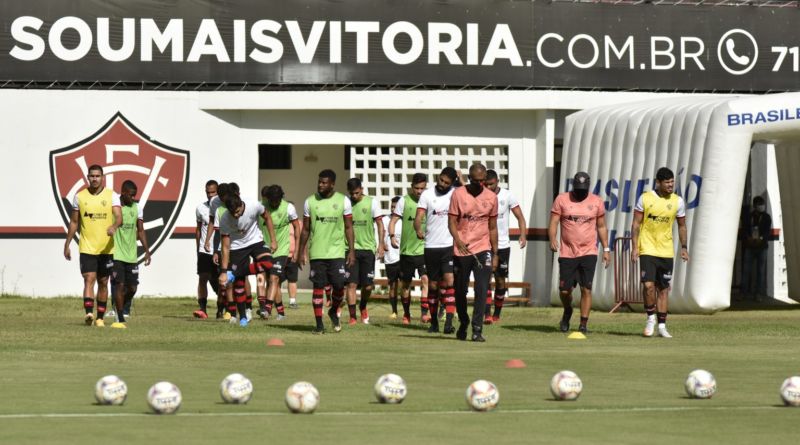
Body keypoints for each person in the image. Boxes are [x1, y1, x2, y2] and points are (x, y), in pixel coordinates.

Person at [548, 171, 610, 335]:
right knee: (565, 291)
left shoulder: (597, 201)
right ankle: (567, 310)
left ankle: (583, 324)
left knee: (586, 288)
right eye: (578, 189)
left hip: (589, 251)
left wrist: (606, 249)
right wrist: (552, 238)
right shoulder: (561, 199)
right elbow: (554, 222)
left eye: (583, 189)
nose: (580, 192)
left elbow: (602, 226)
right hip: (567, 252)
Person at [631, 167, 690, 338]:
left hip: (666, 251)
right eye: (667, 182)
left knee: (663, 289)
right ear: (658, 182)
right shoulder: (645, 198)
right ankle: (650, 319)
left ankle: (662, 326)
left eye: (672, 182)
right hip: (647, 248)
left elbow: (682, 225)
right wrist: (635, 247)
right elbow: (635, 224)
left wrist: (684, 247)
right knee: (648, 286)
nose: (671, 185)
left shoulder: (677, 201)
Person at [295, 169, 355, 334]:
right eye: (319, 182)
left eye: (324, 182)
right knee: (318, 287)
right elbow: (305, 229)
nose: (320, 185)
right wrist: (301, 252)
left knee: (338, 287)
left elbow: (349, 227)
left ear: (332, 184)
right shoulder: (310, 202)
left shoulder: (344, 201)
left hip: (337, 252)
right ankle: (319, 325)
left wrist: (351, 251)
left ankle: (333, 310)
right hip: (317, 253)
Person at [63, 164, 122, 327]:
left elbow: (119, 217)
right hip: (87, 247)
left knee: (103, 281)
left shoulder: (112, 195)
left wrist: (114, 226)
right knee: (89, 279)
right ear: (87, 177)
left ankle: (100, 317)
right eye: (92, 176)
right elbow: (74, 221)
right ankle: (89, 313)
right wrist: (67, 243)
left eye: (97, 176)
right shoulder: (79, 197)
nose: (95, 179)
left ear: (102, 177)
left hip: (106, 248)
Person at [448, 163, 498, 342]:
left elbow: (492, 227)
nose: (480, 184)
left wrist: (495, 253)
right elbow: (452, 222)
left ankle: (477, 329)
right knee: (460, 290)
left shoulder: (491, 197)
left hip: (483, 248)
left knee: (482, 288)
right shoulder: (458, 194)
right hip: (462, 249)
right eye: (476, 181)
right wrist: (458, 241)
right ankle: (463, 321)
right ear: (469, 179)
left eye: (482, 180)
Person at [217, 194, 277, 327]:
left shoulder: (254, 205)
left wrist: (273, 240)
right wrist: (224, 270)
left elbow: (267, 217)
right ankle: (243, 317)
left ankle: (237, 273)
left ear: (241, 204)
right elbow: (226, 247)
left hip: (256, 242)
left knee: (268, 264)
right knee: (239, 285)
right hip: (237, 248)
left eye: (238, 211)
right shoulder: (225, 218)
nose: (236, 215)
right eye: (233, 213)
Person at [415, 167, 458, 334]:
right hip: (431, 246)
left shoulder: (455, 193)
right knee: (432, 285)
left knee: (449, 281)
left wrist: (460, 180)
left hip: (448, 245)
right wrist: (418, 228)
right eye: (441, 180)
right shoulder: (427, 195)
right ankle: (434, 322)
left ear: (452, 183)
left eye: (447, 182)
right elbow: (419, 216)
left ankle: (448, 322)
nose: (443, 184)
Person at [483, 169, 528, 324]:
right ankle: (487, 314)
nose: (488, 187)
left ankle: (497, 313)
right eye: (486, 184)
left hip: (503, 245)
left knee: (500, 279)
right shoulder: (480, 196)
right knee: (485, 278)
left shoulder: (507, 196)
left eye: (491, 184)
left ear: (497, 182)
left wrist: (523, 234)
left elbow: (520, 217)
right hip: (484, 244)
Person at [110, 180, 152, 328]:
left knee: (132, 288)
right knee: (119, 285)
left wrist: (147, 251)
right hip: (116, 254)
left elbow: (140, 230)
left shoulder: (137, 208)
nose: (133, 198)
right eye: (131, 195)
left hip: (131, 255)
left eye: (135, 196)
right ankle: (120, 317)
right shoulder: (115, 208)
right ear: (123, 193)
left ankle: (118, 305)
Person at [389, 173, 430, 324]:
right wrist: (392, 236)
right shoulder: (404, 201)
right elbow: (393, 221)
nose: (419, 191)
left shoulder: (429, 200)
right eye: (417, 188)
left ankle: (424, 313)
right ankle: (406, 313)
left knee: (426, 279)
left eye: (422, 188)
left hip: (424, 249)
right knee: (405, 285)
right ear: (412, 187)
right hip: (407, 251)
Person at [345, 178, 385, 325]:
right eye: (352, 193)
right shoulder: (345, 203)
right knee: (351, 284)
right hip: (350, 249)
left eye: (356, 193)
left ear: (361, 189)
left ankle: (363, 306)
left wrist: (381, 244)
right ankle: (352, 317)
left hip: (368, 248)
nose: (354, 196)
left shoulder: (372, 202)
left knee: (368, 286)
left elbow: (380, 224)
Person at [258, 185, 301, 320]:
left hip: (282, 249)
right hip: (263, 249)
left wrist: (297, 251)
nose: (274, 204)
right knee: (264, 280)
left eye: (277, 201)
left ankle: (267, 308)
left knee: (274, 278)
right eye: (272, 201)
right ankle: (281, 312)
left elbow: (297, 228)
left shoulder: (288, 208)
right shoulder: (260, 206)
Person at [194, 180, 224, 319]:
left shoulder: (222, 208)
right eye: (208, 192)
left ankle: (221, 310)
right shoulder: (200, 208)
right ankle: (203, 309)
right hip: (205, 250)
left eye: (213, 192)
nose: (210, 195)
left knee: (221, 281)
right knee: (203, 278)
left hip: (219, 250)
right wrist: (198, 249)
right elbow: (199, 230)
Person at [741, 196, 772, 302]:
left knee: (760, 272)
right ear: (754, 206)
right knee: (746, 271)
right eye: (759, 204)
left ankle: (758, 294)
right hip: (750, 247)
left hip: (762, 247)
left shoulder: (767, 217)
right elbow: (744, 230)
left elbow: (767, 231)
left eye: (762, 204)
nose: (761, 206)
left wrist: (761, 238)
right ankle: (743, 293)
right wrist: (748, 238)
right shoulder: (748, 217)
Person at [383, 196, 402, 318]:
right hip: (390, 257)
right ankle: (394, 311)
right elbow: (380, 233)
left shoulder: (404, 220)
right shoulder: (385, 219)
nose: (393, 209)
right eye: (392, 206)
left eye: (396, 207)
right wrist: (382, 244)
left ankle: (406, 311)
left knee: (405, 285)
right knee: (393, 285)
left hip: (403, 257)